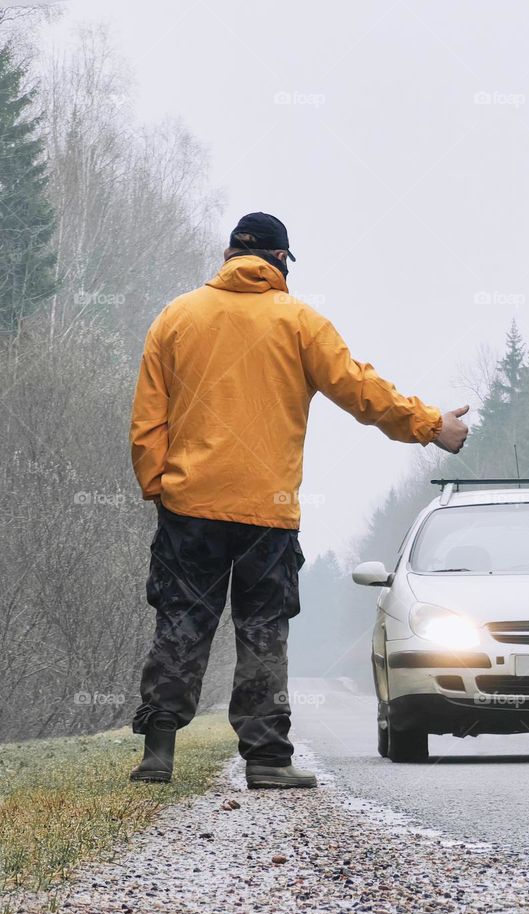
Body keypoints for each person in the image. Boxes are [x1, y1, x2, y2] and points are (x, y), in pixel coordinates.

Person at [128, 211, 468, 789]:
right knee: (263, 628)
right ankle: (266, 760)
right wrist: (430, 424)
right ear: (280, 261)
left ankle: (158, 753)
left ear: (231, 255)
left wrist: (159, 485)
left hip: (190, 506)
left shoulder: (176, 318)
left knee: (181, 623)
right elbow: (360, 389)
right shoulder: (299, 322)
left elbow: (146, 422)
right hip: (268, 509)